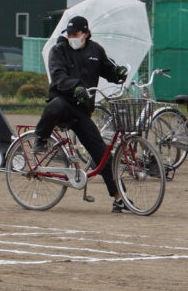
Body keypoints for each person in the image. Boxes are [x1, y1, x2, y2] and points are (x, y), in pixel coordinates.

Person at [34, 15, 130, 213]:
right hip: (63, 102)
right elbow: (58, 75)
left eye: (76, 34)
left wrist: (118, 74)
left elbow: (108, 70)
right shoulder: (58, 50)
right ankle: (40, 137)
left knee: (101, 154)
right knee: (56, 105)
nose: (72, 37)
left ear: (85, 33)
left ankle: (120, 198)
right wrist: (75, 86)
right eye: (69, 34)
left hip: (83, 110)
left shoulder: (96, 50)